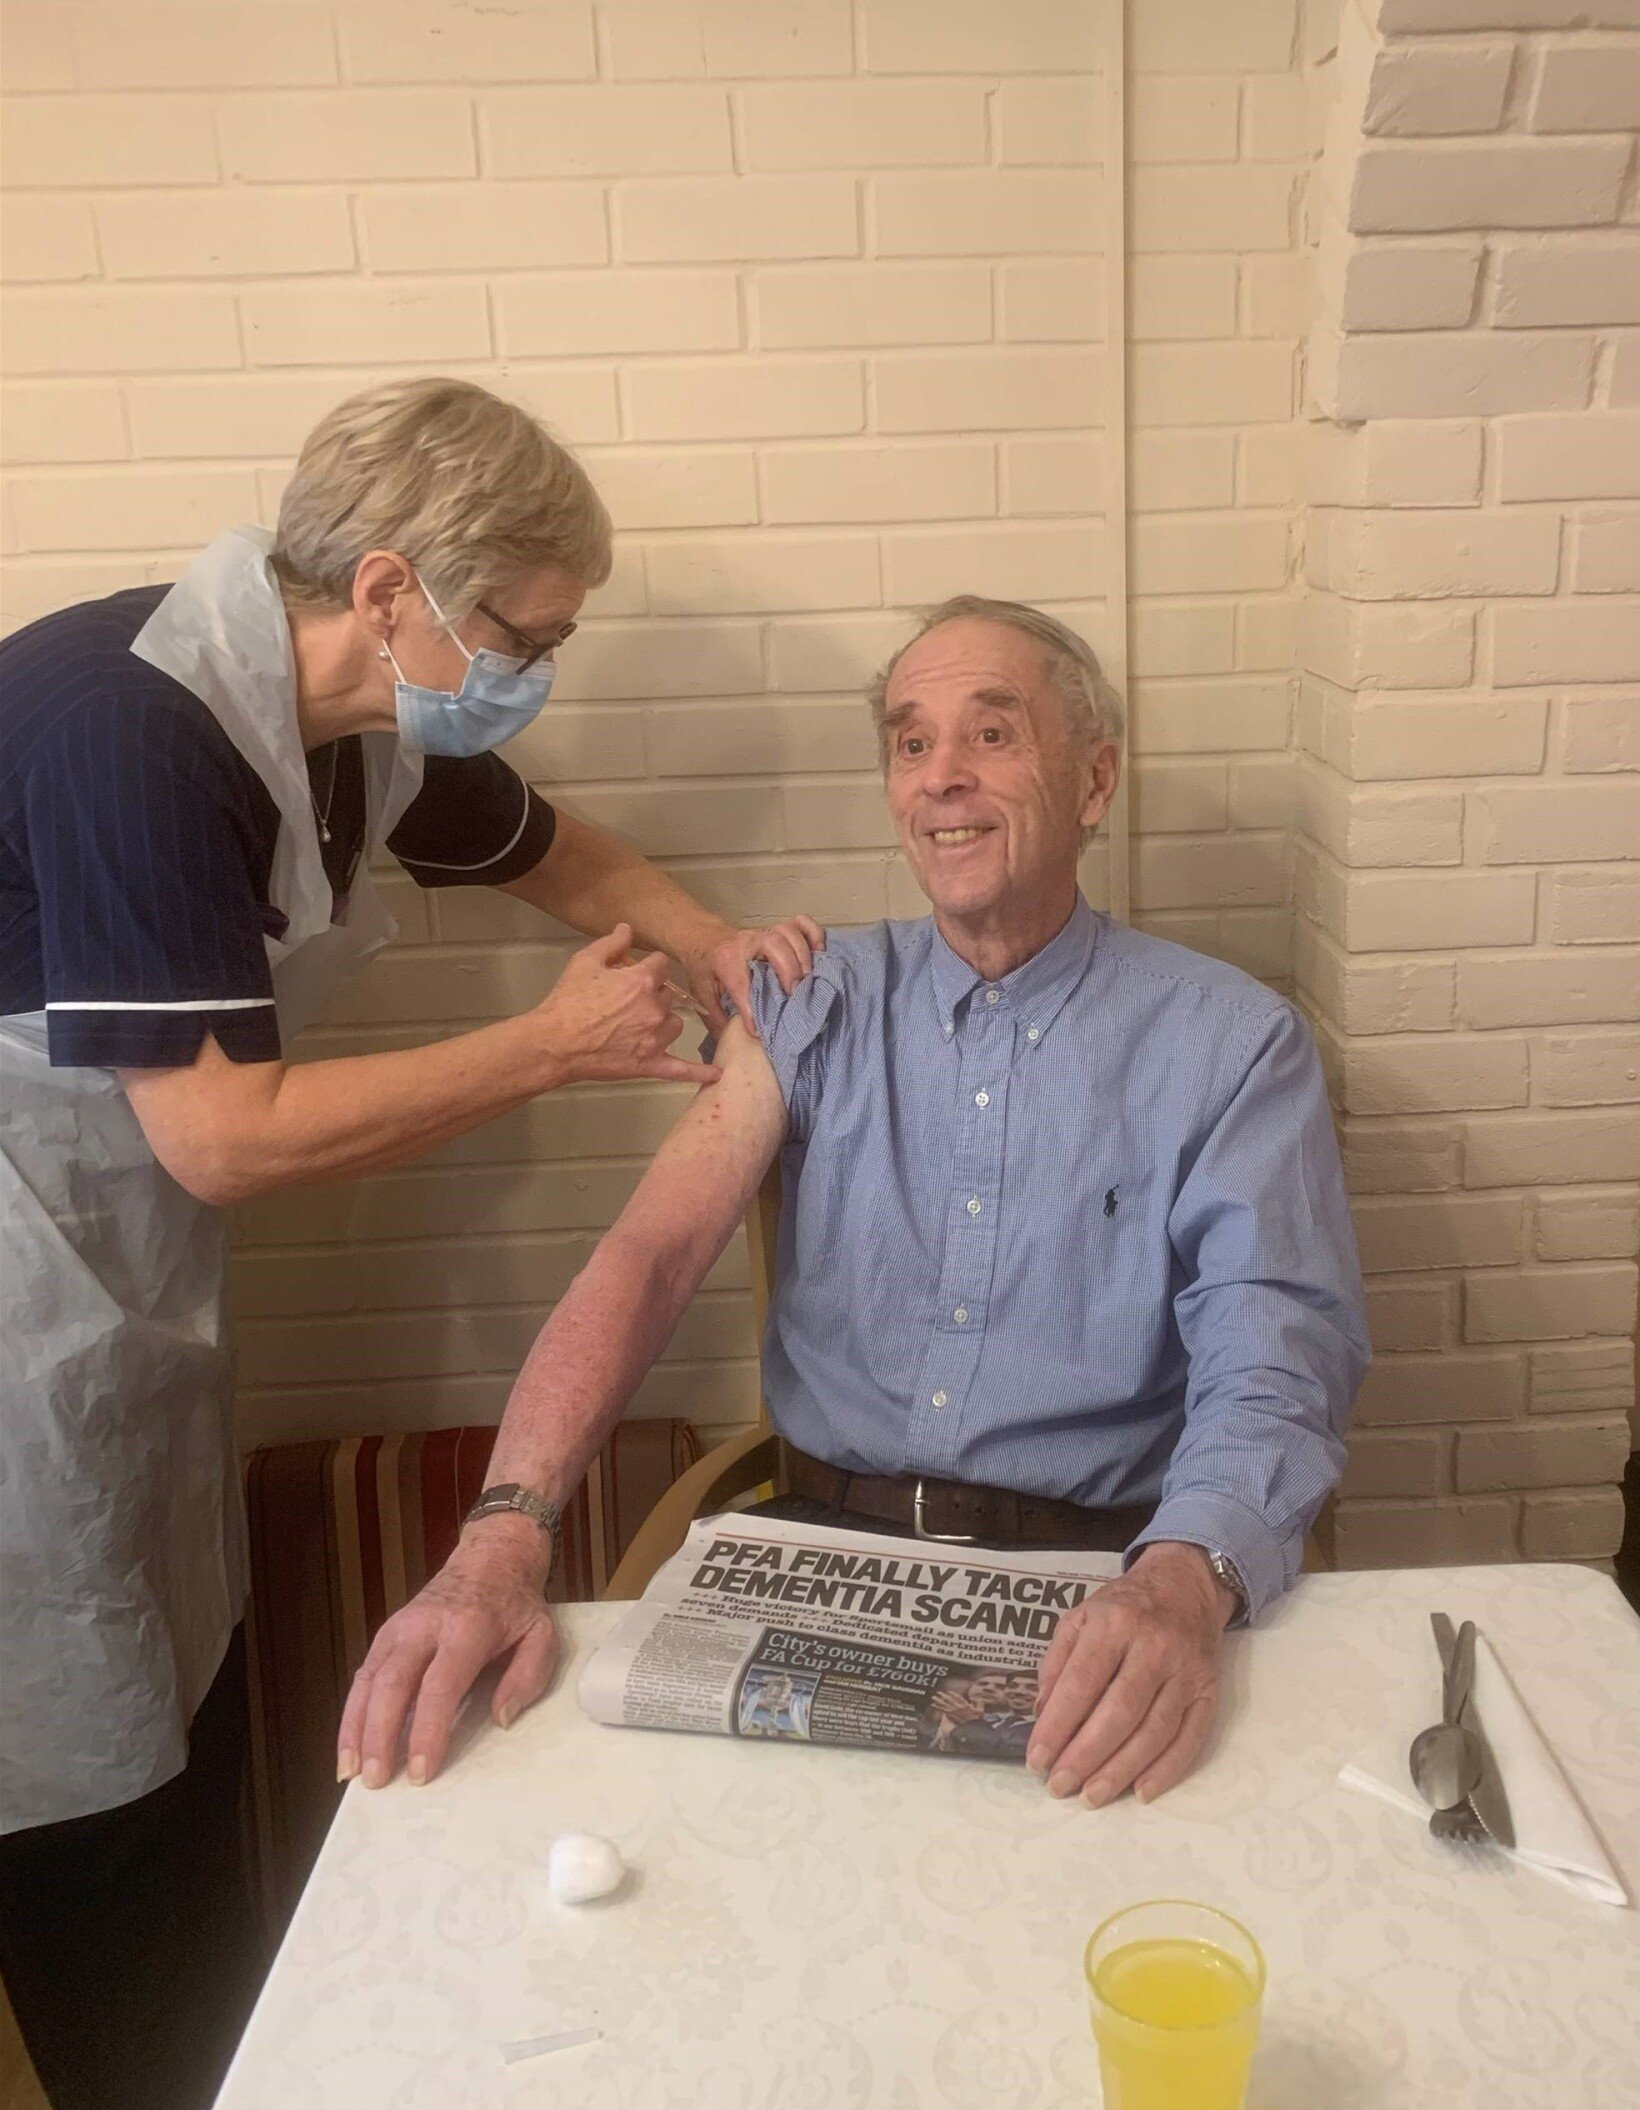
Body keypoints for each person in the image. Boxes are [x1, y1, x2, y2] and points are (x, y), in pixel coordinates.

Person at [0, 375, 821, 2110]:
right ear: (392, 593)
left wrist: (720, 943)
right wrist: (554, 1049)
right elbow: (223, 1139)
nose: (536, 674)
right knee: (78, 1809)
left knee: (175, 1723)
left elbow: (558, 850)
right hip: (20, 1310)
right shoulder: (131, 727)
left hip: (101, 1288)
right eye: (524, 634)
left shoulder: (352, 734)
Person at [342, 594, 1370, 1823]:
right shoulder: (809, 998)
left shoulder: (1227, 1041)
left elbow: (1276, 1352)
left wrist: (1180, 1584)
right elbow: (650, 1257)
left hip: (1098, 1565)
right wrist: (500, 1534)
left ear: (1094, 781)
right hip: (817, 1544)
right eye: (908, 740)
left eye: (992, 735)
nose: (941, 777)